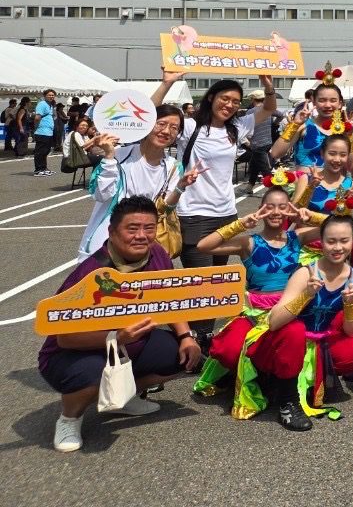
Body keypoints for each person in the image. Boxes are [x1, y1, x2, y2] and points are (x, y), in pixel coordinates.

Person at [39, 196, 204, 453]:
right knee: (93, 374)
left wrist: (186, 336)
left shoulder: (158, 253)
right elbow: (65, 338)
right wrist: (116, 336)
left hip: (130, 343)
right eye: (132, 228)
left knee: (183, 356)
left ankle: (124, 397)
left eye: (149, 228)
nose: (141, 235)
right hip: (74, 352)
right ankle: (69, 418)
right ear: (112, 232)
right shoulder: (91, 273)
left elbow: (169, 301)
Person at [152, 71, 278, 346]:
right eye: (225, 98)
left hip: (225, 213)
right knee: (200, 280)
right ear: (211, 98)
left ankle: (204, 334)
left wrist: (268, 84)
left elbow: (269, 108)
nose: (230, 104)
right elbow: (150, 115)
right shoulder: (189, 126)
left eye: (235, 101)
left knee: (217, 280)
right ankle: (195, 336)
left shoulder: (238, 127)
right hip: (192, 213)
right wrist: (168, 82)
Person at [190, 187, 321, 400]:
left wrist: (308, 215)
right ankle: (251, 372)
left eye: (282, 207)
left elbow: (341, 227)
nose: (276, 212)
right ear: (260, 210)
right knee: (228, 351)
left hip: (287, 308)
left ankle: (272, 378)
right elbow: (204, 246)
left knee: (289, 343)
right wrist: (240, 224)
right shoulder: (249, 242)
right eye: (269, 207)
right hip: (253, 311)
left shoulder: (297, 238)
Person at [243, 215, 353, 430]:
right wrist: (306, 295)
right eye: (331, 241)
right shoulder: (305, 273)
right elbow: (274, 322)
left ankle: (306, 381)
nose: (338, 247)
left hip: (319, 343)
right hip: (285, 341)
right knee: (295, 330)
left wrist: (349, 303)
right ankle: (288, 400)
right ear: (321, 240)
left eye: (344, 240)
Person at [77, 105, 198, 260]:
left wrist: (180, 187)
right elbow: (101, 194)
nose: (167, 131)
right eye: (161, 124)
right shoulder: (119, 155)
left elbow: (165, 209)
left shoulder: (173, 166)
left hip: (145, 243)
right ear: (146, 125)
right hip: (107, 242)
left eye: (174, 128)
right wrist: (108, 157)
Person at [270, 70, 348, 168]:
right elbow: (275, 153)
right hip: (306, 182)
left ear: (340, 103)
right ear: (314, 102)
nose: (328, 105)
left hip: (337, 182)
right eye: (322, 100)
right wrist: (295, 124)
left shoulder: (345, 129)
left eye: (333, 100)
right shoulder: (303, 126)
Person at [244, 90, 283, 186]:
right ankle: (250, 187)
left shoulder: (250, 111)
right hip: (268, 141)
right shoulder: (268, 109)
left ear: (253, 99)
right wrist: (274, 123)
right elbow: (281, 115)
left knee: (265, 169)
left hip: (257, 143)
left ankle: (274, 189)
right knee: (254, 165)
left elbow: (246, 127)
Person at [32, 87, 57, 177]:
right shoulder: (42, 104)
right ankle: (38, 170)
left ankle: (44, 168)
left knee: (45, 151)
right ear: (45, 96)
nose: (51, 96)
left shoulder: (49, 104)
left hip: (48, 132)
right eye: (49, 95)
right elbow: (37, 117)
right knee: (40, 151)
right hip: (42, 132)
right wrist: (35, 128)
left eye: (53, 95)